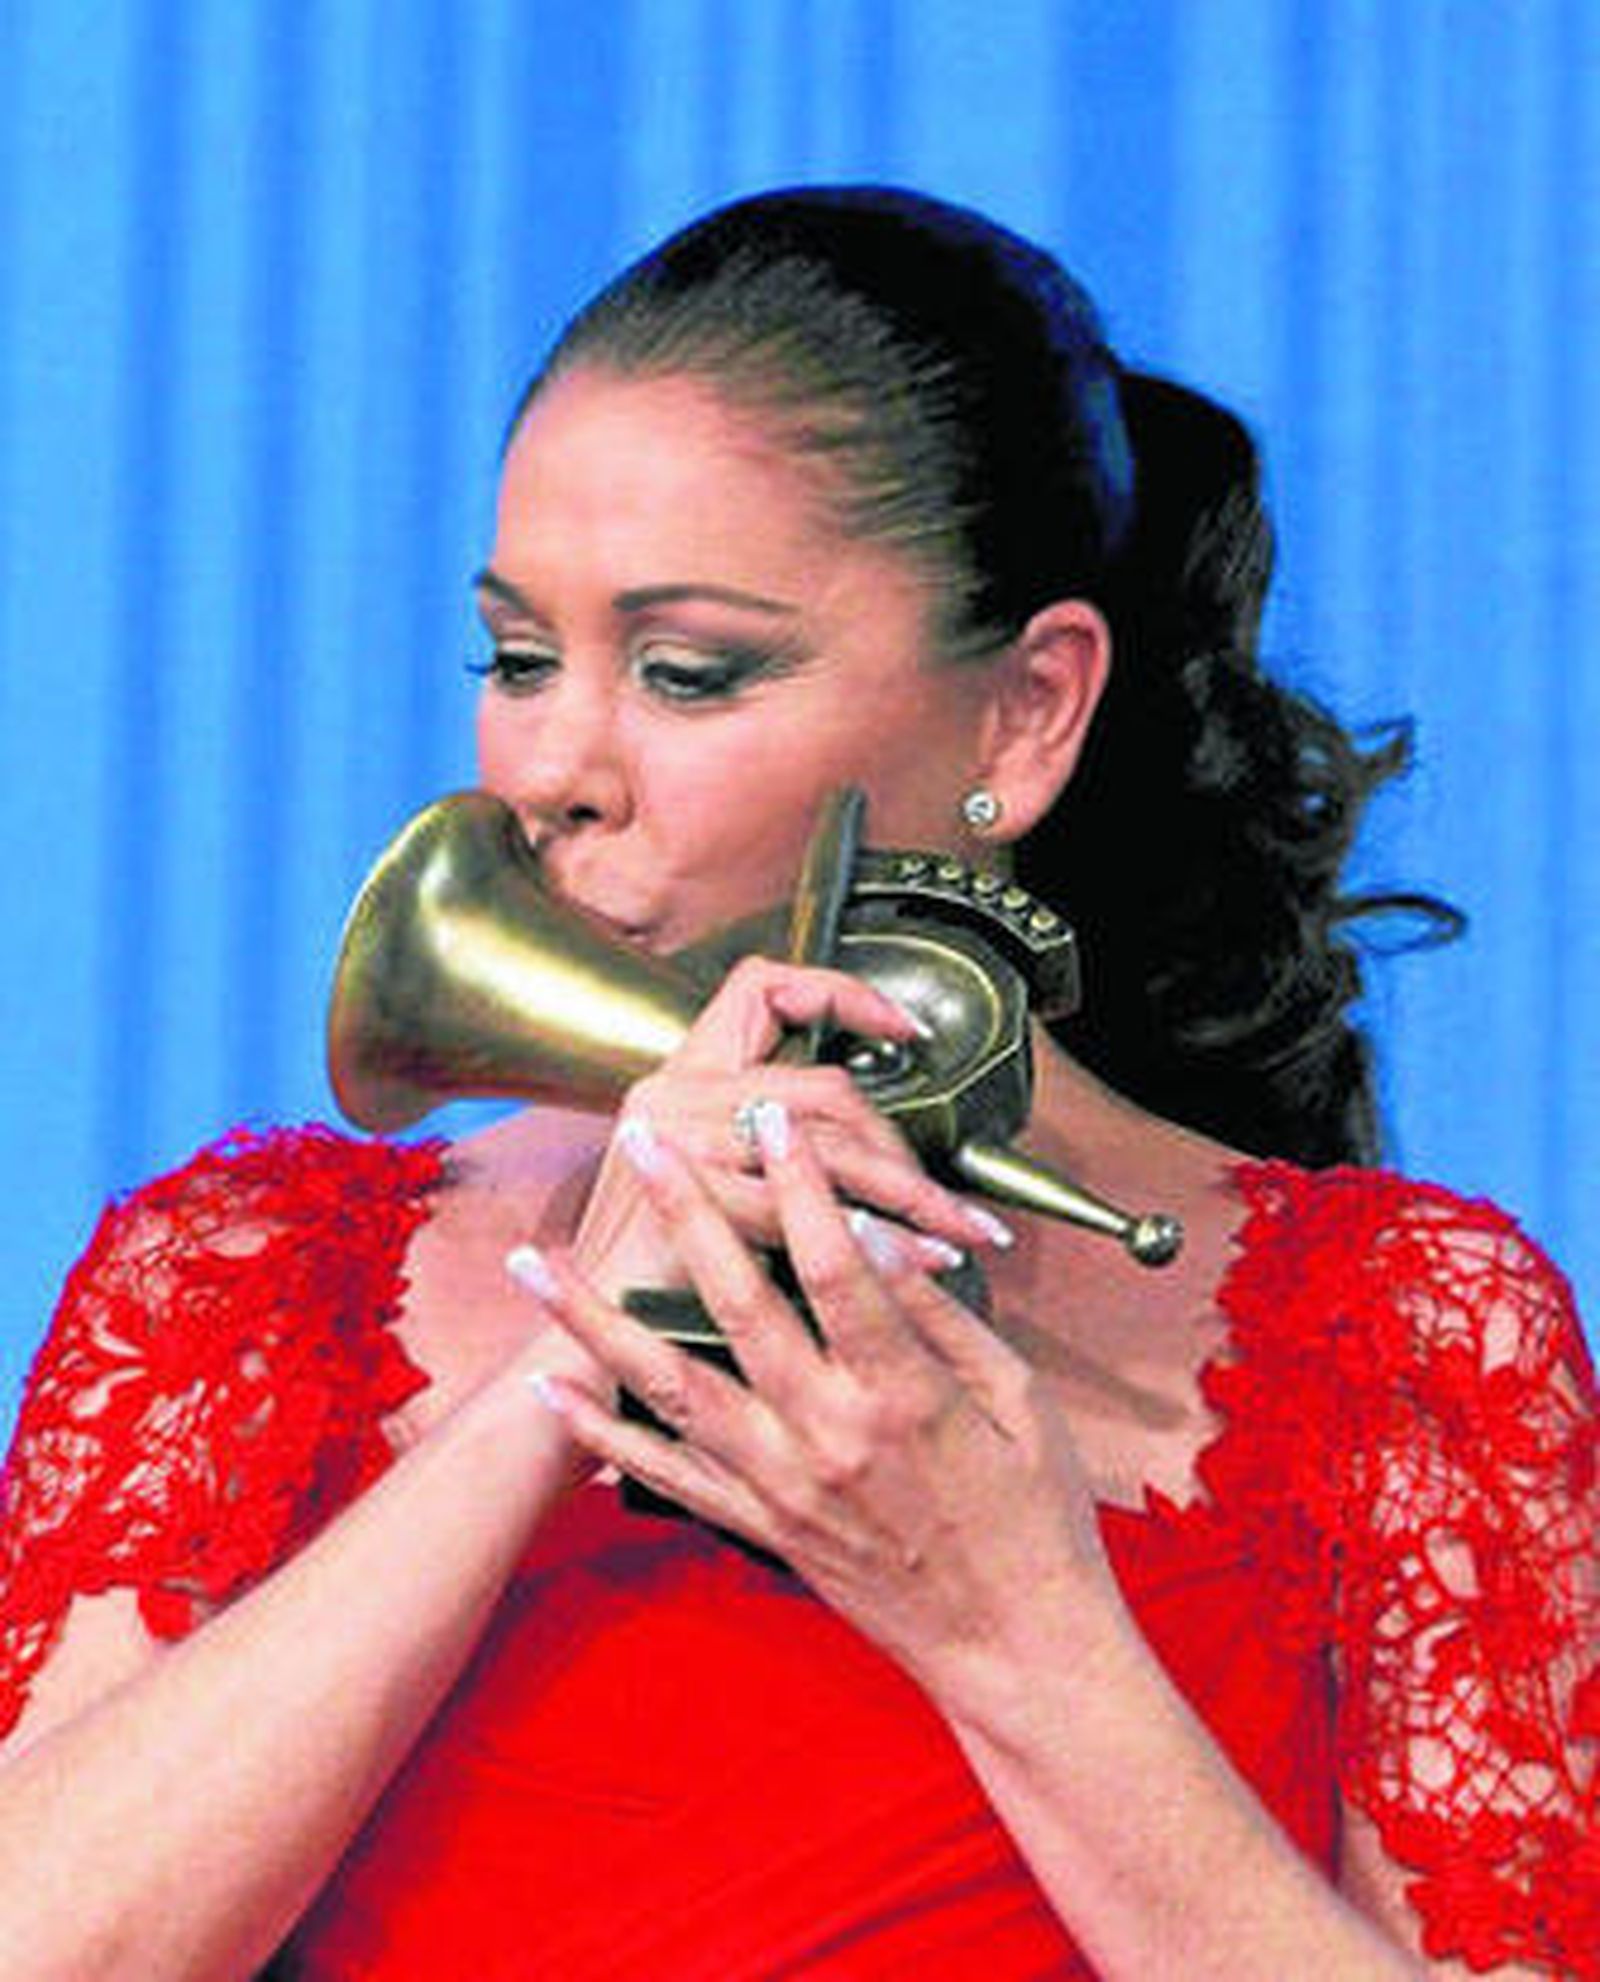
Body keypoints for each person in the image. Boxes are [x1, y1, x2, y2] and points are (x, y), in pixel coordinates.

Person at [0, 185, 1594, 1980]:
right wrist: (575, 1356)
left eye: (689, 672)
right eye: (518, 660)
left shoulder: (1407, 1335)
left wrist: (1013, 1628)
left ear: (1024, 714)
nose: (553, 769)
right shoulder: (239, 1281)